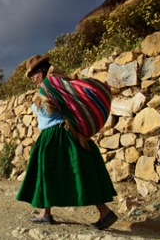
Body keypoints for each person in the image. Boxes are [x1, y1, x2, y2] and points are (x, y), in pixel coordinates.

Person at [16, 54, 118, 230]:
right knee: (80, 172)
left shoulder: (49, 85)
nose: (33, 80)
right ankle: (48, 213)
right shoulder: (59, 83)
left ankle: (103, 212)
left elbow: (50, 112)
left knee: (47, 173)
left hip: (56, 135)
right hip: (69, 134)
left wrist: (39, 102)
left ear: (40, 72)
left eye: (33, 76)